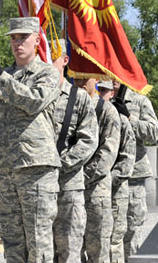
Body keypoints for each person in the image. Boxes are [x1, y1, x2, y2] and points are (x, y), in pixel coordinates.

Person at [0, 17, 61, 263]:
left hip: (36, 169)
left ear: (37, 40)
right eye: (13, 38)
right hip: (6, 171)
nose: (17, 42)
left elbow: (34, 101)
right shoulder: (3, 77)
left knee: (38, 242)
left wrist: (0, 74)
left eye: (23, 37)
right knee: (12, 243)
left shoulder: (47, 74)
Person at [51, 41, 98, 263]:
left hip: (67, 185)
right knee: (39, 252)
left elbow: (88, 140)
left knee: (69, 249)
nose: (47, 61)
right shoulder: (31, 96)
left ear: (65, 60)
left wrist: (59, 165)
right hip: (35, 187)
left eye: (52, 55)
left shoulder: (76, 97)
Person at [73, 78, 121, 263]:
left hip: (95, 192)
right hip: (69, 192)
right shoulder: (68, 105)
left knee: (98, 251)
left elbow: (107, 154)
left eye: (86, 76)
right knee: (70, 250)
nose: (80, 81)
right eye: (76, 76)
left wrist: (80, 177)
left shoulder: (107, 111)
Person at [111, 81, 158, 261]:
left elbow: (154, 133)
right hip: (104, 176)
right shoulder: (99, 98)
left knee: (131, 232)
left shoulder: (139, 101)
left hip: (132, 176)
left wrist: (130, 119)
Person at [98, 81, 136, 263]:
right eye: (98, 89)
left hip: (114, 191)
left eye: (104, 90)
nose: (101, 94)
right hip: (92, 190)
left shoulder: (121, 121)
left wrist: (105, 181)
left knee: (113, 242)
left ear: (112, 93)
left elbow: (127, 160)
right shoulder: (88, 117)